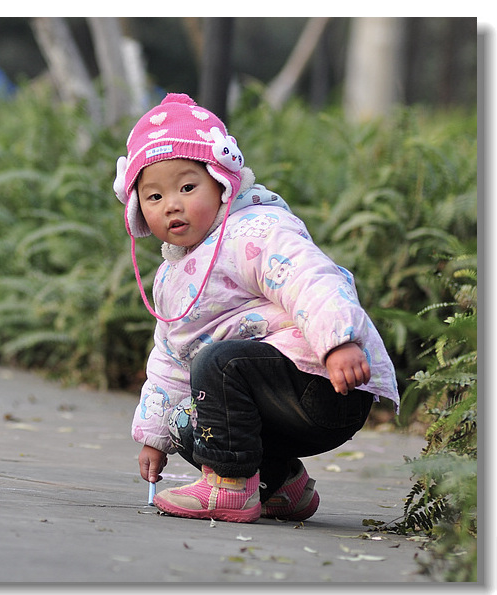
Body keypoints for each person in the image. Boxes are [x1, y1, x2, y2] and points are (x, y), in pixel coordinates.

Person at [112, 93, 399, 523]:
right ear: (137, 209)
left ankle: (229, 490)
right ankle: (283, 486)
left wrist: (338, 341)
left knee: (218, 364)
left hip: (320, 383)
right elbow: (171, 359)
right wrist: (154, 437)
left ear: (222, 183)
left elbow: (309, 278)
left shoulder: (255, 231)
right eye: (154, 196)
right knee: (187, 422)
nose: (171, 204)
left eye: (188, 187)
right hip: (272, 398)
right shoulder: (170, 279)